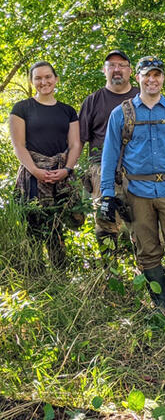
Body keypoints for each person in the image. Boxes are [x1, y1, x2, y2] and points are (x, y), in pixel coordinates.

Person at [99, 56, 165, 324]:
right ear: (138, 78)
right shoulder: (121, 114)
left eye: (157, 75)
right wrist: (107, 194)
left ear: (163, 78)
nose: (152, 80)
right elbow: (109, 156)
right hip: (137, 193)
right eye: (147, 75)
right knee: (147, 251)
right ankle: (161, 307)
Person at [9, 61, 82, 267]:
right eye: (38, 78)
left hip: (61, 175)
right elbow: (18, 145)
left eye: (48, 77)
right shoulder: (22, 108)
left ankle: (60, 273)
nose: (44, 82)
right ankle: (34, 273)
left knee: (58, 226)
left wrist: (67, 169)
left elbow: (75, 144)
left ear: (56, 79)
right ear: (31, 82)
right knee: (33, 225)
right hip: (33, 175)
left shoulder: (67, 111)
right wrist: (35, 171)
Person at [78, 50, 141, 255]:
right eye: (111, 65)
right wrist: (72, 170)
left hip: (139, 167)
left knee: (143, 222)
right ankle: (109, 269)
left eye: (122, 65)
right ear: (104, 71)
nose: (117, 69)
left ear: (130, 71)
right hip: (102, 168)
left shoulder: (142, 97)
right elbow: (79, 140)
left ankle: (145, 269)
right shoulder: (93, 101)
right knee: (106, 222)